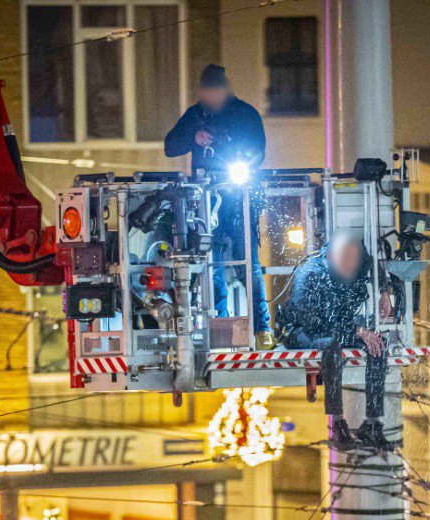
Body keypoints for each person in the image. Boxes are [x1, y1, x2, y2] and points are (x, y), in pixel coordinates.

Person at [164, 64, 272, 345]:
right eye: (205, 93)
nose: (209, 99)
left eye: (213, 93)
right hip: (206, 203)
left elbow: (258, 152)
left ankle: (262, 329)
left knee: (250, 265)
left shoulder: (245, 115)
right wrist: (193, 138)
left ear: (224, 90)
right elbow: (170, 145)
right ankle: (221, 328)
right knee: (214, 266)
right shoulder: (194, 115)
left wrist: (242, 161)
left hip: (239, 201)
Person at [276, 231, 393, 450]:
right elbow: (315, 324)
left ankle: (372, 423)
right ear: (330, 257)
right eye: (345, 260)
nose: (350, 266)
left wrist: (384, 292)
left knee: (378, 344)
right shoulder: (309, 274)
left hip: (341, 326)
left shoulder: (358, 261)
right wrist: (357, 331)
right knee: (331, 346)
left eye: (354, 260)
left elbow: (373, 264)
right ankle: (338, 424)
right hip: (303, 329)